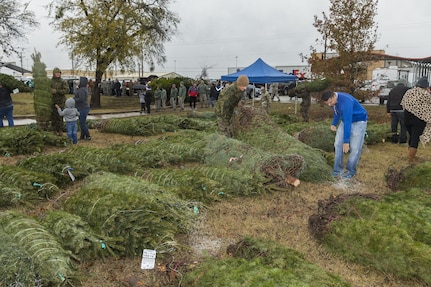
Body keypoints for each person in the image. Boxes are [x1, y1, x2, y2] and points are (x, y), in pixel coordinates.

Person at [321, 90, 368, 179]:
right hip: (346, 120)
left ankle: (351, 171)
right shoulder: (333, 102)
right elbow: (336, 112)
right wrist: (334, 124)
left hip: (359, 121)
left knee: (355, 148)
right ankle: (337, 170)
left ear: (334, 96)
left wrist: (346, 141)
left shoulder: (346, 102)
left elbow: (347, 121)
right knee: (338, 144)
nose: (329, 105)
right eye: (327, 103)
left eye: (330, 102)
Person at [401, 76, 431, 163]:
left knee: (411, 136)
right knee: (415, 138)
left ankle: (410, 154)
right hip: (418, 120)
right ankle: (411, 158)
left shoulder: (409, 92)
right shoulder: (426, 95)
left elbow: (403, 103)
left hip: (407, 117)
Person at [50, 67, 70, 135]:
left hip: (61, 102)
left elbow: (67, 90)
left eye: (59, 73)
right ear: (54, 73)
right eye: (56, 73)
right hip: (53, 102)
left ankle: (60, 130)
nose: (58, 74)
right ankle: (54, 130)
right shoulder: (50, 81)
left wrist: (57, 91)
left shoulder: (63, 82)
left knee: (60, 117)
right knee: (53, 117)